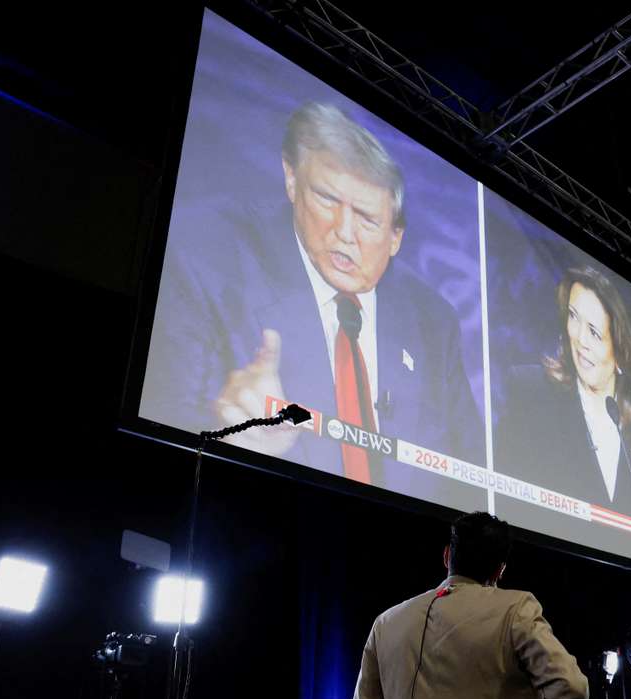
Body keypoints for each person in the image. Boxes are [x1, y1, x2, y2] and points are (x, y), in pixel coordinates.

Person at [142, 102, 484, 506]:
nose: (344, 232)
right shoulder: (203, 254)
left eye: (367, 219)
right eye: (326, 199)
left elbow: (470, 474)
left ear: (396, 237)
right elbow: (162, 422)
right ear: (291, 179)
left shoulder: (431, 318)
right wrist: (227, 428)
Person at [493, 266, 631, 565]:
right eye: (573, 317)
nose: (580, 339)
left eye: (594, 332)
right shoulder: (529, 392)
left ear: (619, 351)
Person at [348, 512, 588, 699]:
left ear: (446, 556)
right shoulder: (516, 609)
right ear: (500, 570)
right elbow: (570, 689)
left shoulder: (386, 623)